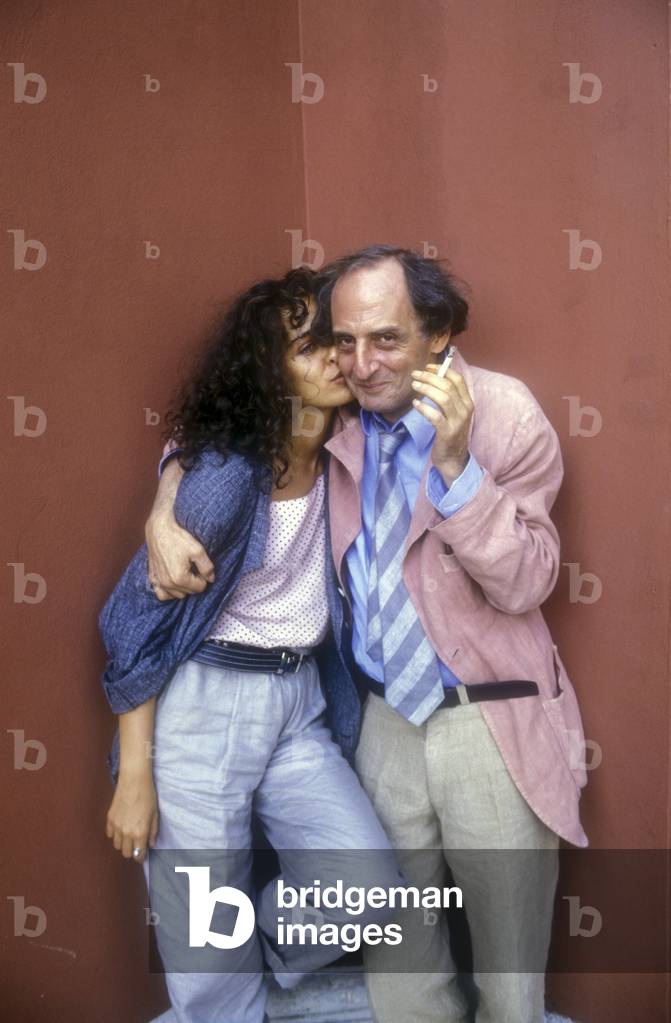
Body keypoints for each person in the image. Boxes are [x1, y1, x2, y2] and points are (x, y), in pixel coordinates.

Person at [98, 267, 401, 1023]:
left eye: (333, 339)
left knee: (367, 889)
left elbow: (184, 441)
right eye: (306, 347)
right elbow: (129, 625)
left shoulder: (350, 447)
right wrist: (135, 775)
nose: (333, 357)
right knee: (206, 956)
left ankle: (252, 950)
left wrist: (166, 480)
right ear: (269, 372)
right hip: (203, 708)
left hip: (297, 704)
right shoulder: (228, 479)